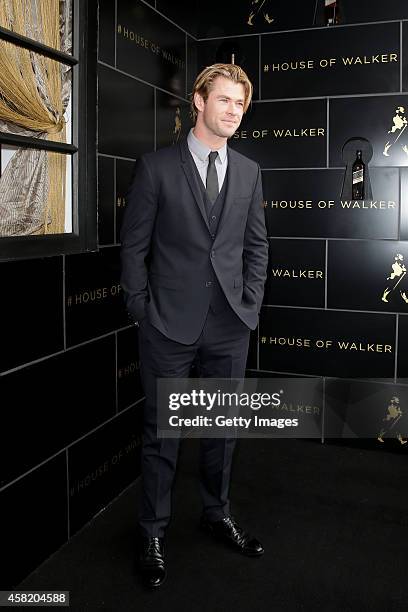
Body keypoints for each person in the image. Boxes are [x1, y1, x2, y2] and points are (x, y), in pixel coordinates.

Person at [120, 63, 269, 589]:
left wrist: (249, 304)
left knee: (221, 432)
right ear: (199, 102)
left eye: (240, 103)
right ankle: (152, 532)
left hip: (230, 324)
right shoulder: (157, 167)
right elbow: (134, 247)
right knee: (162, 434)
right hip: (167, 326)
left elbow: (256, 246)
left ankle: (216, 513)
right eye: (224, 99)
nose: (233, 110)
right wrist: (142, 309)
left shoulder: (249, 172)